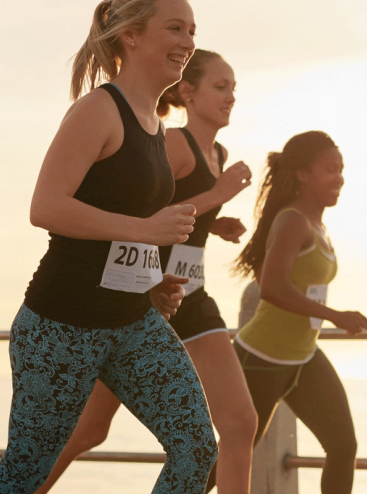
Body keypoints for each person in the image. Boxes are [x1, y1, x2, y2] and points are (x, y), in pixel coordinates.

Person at [0, 0, 217, 492]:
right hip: (61, 325)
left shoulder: (155, 123)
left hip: (131, 321)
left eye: (192, 30)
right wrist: (146, 231)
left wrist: (151, 278)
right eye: (174, 28)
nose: (188, 42)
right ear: (131, 36)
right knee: (24, 474)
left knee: (198, 449)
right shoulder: (98, 109)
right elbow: (46, 206)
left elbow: (115, 229)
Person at [32, 48, 258, 494]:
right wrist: (217, 195)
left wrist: (213, 225)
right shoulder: (174, 143)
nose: (230, 96)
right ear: (188, 93)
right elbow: (140, 212)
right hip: (143, 296)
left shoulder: (219, 154)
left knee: (240, 423)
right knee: (89, 430)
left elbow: (176, 220)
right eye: (220, 86)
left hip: (190, 296)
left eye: (234, 88)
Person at [231, 131, 367, 494]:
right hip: (262, 357)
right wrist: (335, 315)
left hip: (302, 357)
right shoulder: (293, 221)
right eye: (329, 169)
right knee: (230, 459)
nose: (339, 177)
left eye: (341, 169)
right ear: (303, 174)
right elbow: (271, 287)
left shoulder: (317, 225)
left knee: (343, 446)